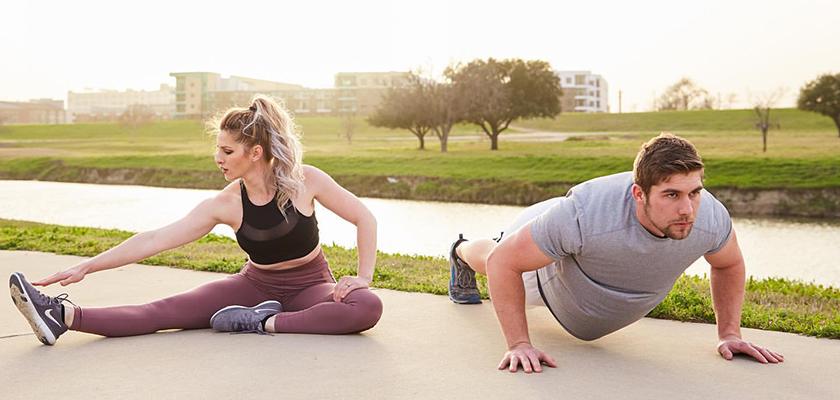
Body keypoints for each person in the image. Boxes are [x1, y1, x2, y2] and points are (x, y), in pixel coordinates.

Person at [9, 95, 382, 346]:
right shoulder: (226, 204)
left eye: (227, 150)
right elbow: (154, 240)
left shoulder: (306, 180)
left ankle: (260, 322)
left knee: (367, 307)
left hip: (310, 285)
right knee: (162, 311)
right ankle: (59, 315)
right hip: (253, 286)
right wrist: (88, 266)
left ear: (255, 152)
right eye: (217, 149)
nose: (218, 158)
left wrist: (363, 277)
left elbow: (363, 218)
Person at [448, 133, 784, 373]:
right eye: (671, 195)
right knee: (496, 251)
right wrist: (519, 344)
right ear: (639, 193)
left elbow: (729, 264)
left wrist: (729, 334)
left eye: (694, 192)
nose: (687, 209)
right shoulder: (583, 215)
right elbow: (503, 263)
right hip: (555, 268)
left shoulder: (709, 216)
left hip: (579, 244)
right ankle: (460, 251)